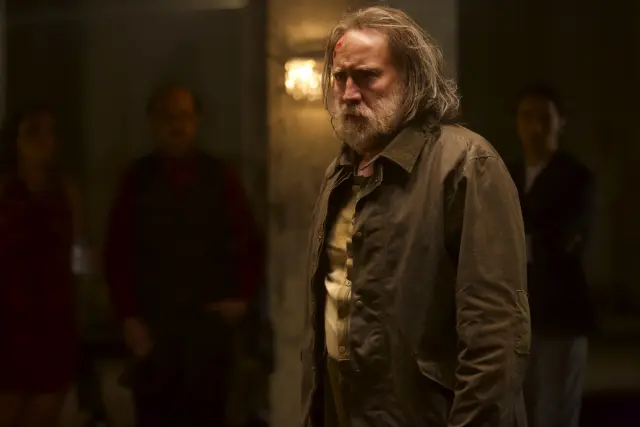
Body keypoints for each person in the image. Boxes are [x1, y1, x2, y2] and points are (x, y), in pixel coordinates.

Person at [301, 6, 530, 427]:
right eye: (340, 77)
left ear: (412, 79)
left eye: (367, 76)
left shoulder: (466, 164)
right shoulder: (340, 173)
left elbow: (495, 335)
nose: (349, 93)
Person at [104, 84, 261, 427]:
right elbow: (117, 252)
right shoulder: (137, 180)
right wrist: (128, 317)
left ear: (196, 121)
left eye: (184, 116)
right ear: (153, 122)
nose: (176, 124)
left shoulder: (219, 177)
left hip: (208, 326)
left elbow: (248, 240)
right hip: (154, 327)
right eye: (168, 116)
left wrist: (242, 297)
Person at [507, 82, 595, 427]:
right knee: (519, 413)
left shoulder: (576, 177)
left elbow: (563, 242)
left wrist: (510, 244)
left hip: (560, 314)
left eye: (544, 118)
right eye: (526, 117)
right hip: (515, 317)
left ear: (561, 122)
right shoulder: (506, 175)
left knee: (554, 414)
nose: (535, 127)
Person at [0, 104, 82, 427]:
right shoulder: (4, 189)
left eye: (49, 132)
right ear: (15, 139)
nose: (43, 141)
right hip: (8, 320)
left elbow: (80, 250)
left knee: (45, 411)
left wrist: (81, 292)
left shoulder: (66, 191)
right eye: (33, 132)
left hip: (53, 319)